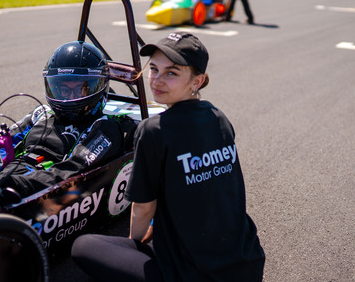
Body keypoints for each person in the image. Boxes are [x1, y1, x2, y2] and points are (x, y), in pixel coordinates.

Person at [71, 33, 265, 282]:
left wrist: (133, 248)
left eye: (171, 73)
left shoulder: (154, 130)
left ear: (198, 80)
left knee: (83, 246)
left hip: (194, 275)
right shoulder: (219, 118)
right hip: (247, 265)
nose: (157, 80)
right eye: (153, 69)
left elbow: (142, 209)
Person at [0, 41, 131, 197]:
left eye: (80, 89)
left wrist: (15, 184)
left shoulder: (105, 127)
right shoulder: (41, 113)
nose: (70, 97)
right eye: (64, 89)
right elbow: (4, 143)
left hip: (38, 190)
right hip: (11, 174)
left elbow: (71, 170)